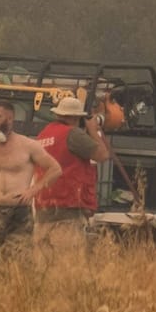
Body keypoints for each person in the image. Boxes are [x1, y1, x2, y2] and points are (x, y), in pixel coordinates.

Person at [0, 99, 61, 257]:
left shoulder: (28, 145)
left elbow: (55, 169)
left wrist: (32, 191)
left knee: (20, 258)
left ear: (10, 118)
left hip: (20, 210)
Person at [35, 94, 112, 245]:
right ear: (76, 118)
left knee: (44, 266)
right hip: (67, 210)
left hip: (42, 210)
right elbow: (102, 155)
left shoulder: (43, 134)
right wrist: (93, 131)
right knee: (67, 264)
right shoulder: (72, 134)